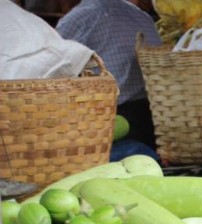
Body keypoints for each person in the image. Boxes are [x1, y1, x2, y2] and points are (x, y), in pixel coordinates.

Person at [56, 0, 161, 150]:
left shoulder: (81, 17)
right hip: (152, 116)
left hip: (111, 120)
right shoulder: (142, 16)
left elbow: (53, 69)